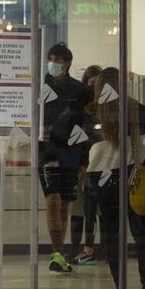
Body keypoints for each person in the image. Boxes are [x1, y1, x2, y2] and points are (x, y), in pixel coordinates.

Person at [86, 67, 145, 289]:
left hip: (102, 178)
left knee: (112, 236)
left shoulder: (93, 111)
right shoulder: (133, 107)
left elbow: (81, 141)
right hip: (132, 175)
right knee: (140, 234)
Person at [39, 42, 92, 273]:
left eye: (58, 61)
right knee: (52, 199)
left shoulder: (78, 90)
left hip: (70, 153)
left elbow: (85, 126)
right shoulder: (40, 86)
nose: (54, 64)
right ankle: (56, 251)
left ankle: (61, 253)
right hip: (46, 151)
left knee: (64, 203)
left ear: (68, 63)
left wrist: (83, 161)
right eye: (51, 59)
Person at [70, 64, 103, 266]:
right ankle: (76, 249)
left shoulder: (106, 104)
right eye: (92, 84)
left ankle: (90, 248)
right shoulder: (80, 105)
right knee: (78, 209)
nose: (94, 88)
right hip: (81, 161)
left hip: (99, 161)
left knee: (93, 209)